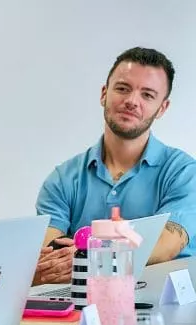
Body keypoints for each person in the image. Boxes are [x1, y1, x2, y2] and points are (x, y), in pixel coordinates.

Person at [35, 47, 196, 285]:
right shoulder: (63, 179)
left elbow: (167, 244)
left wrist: (92, 260)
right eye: (123, 88)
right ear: (104, 94)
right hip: (81, 310)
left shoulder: (184, 173)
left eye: (148, 95)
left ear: (162, 108)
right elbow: (46, 252)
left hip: (166, 310)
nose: (132, 101)